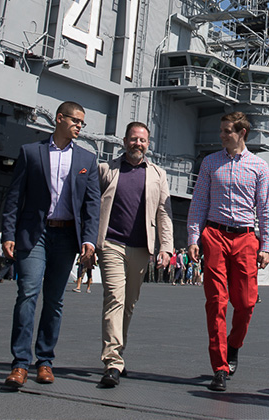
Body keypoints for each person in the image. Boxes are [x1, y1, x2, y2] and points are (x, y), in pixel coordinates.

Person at [1, 101, 100, 388]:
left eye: (82, 122)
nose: (79, 126)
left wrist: (89, 241)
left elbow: (92, 206)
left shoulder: (87, 160)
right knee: (28, 293)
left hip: (67, 236)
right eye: (75, 120)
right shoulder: (31, 152)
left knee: (54, 301)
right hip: (36, 234)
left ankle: (44, 361)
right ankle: (20, 364)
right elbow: (14, 197)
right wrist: (8, 233)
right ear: (59, 119)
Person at [186, 111, 269, 392]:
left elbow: (266, 209)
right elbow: (199, 202)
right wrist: (192, 237)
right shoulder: (210, 163)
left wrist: (267, 246)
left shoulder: (259, 166)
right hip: (214, 235)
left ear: (242, 133)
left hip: (246, 238)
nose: (222, 135)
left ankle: (234, 345)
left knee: (246, 303)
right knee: (216, 302)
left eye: (227, 131)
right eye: (222, 130)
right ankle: (220, 367)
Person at [96, 121, 173, 387]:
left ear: (148, 144)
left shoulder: (158, 175)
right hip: (112, 244)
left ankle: (118, 353)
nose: (137, 144)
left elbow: (164, 213)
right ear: (124, 140)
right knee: (114, 299)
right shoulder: (106, 170)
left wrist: (167, 247)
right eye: (133, 139)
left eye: (142, 140)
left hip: (142, 248)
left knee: (128, 304)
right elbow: (92, 205)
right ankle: (112, 361)